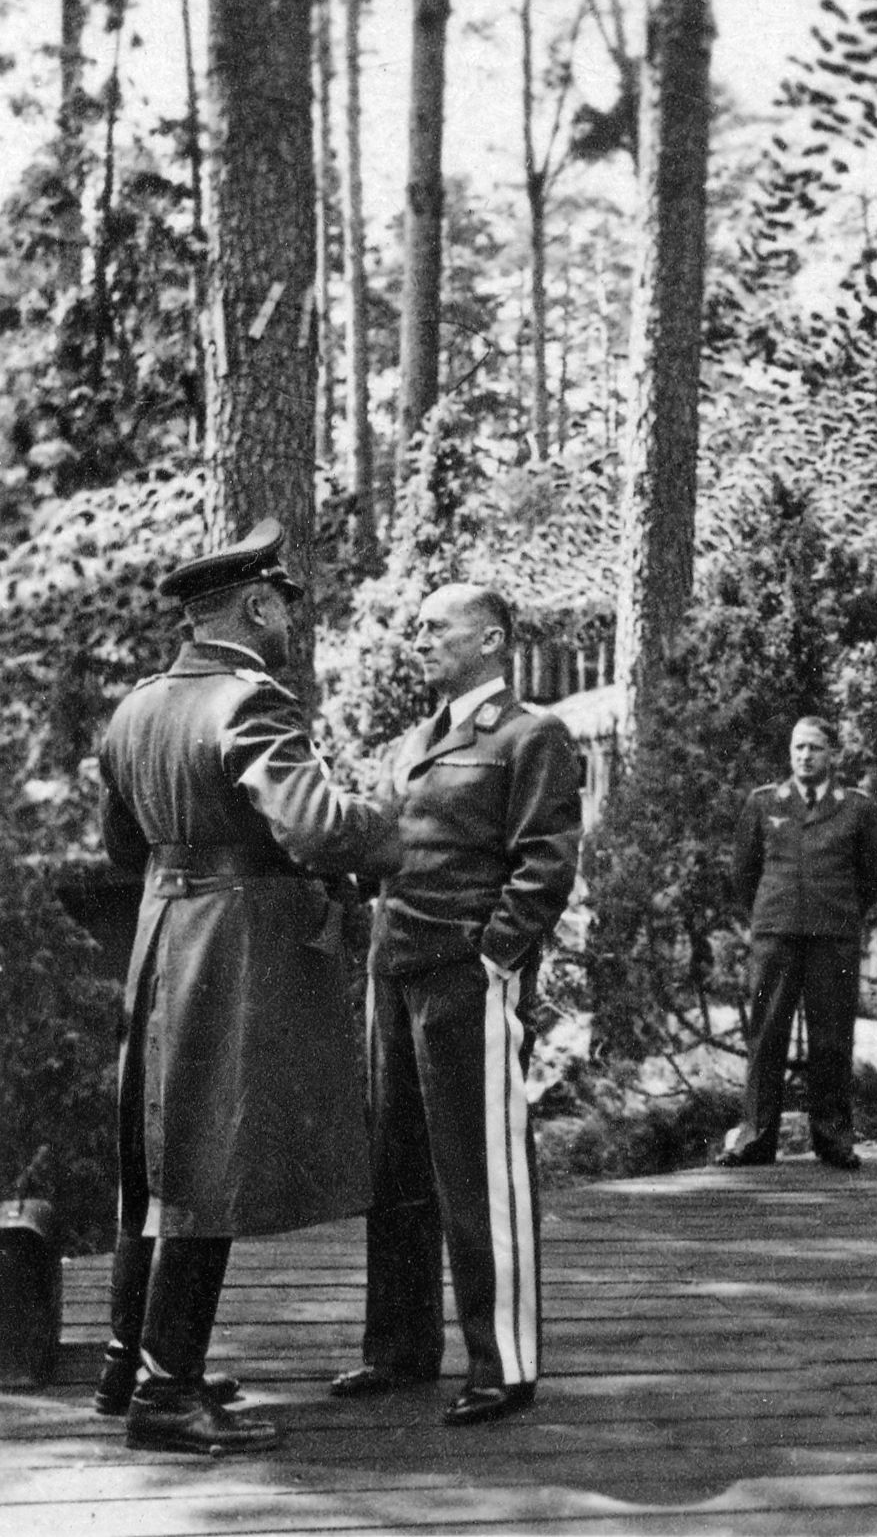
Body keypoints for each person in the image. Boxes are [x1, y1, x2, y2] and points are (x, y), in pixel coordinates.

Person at [96, 519, 401, 1455]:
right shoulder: (250, 702)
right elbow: (315, 828)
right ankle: (169, 1394)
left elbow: (120, 849)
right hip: (230, 948)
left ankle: (130, 1364)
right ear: (257, 605)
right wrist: (390, 818)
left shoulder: (136, 709)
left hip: (162, 932)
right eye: (283, 606)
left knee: (157, 1153)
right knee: (209, 1158)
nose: (287, 623)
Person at [330, 584, 583, 1427]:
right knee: (396, 1169)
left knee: (482, 1173)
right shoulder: (413, 742)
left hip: (465, 979)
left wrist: (492, 958)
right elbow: (390, 848)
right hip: (395, 971)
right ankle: (399, 1353)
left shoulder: (529, 735)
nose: (419, 637)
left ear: (491, 639)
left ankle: (502, 1365)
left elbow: (545, 865)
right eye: (419, 626)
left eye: (436, 626)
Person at [717, 716, 877, 1171]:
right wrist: (775, 913)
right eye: (797, 748)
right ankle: (755, 1139)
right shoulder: (763, 803)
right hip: (776, 937)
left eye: (814, 748)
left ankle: (833, 1140)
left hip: (832, 939)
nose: (804, 756)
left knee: (831, 1039)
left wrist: (837, 913)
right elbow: (743, 875)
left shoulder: (856, 808)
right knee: (766, 1033)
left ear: (832, 754)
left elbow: (873, 879)